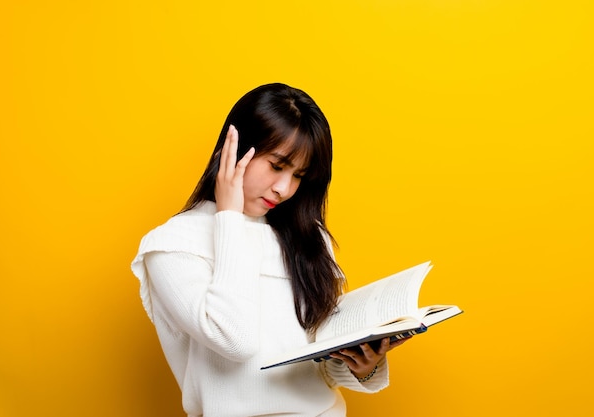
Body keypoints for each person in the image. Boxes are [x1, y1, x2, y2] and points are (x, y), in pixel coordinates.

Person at [131, 83, 410, 416]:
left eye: (299, 176)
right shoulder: (173, 245)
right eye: (277, 166)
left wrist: (364, 365)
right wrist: (230, 219)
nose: (284, 189)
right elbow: (235, 340)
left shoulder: (309, 239)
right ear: (233, 150)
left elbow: (319, 368)